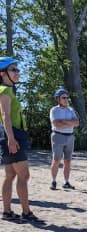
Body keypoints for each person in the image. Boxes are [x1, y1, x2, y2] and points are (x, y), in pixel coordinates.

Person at [0, 56, 38, 221]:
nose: (17, 72)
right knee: (24, 175)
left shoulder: (6, 90)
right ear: (2, 73)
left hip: (9, 135)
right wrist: (11, 139)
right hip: (12, 135)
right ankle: (26, 212)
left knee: (10, 175)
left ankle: (7, 212)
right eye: (13, 69)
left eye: (17, 69)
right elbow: (5, 115)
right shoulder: (4, 91)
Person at [50, 88, 79, 190]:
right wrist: (70, 122)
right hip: (57, 136)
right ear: (58, 99)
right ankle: (53, 181)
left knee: (68, 161)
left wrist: (64, 122)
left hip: (70, 136)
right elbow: (56, 124)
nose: (66, 99)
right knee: (56, 160)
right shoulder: (54, 110)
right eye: (64, 97)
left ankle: (66, 182)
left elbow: (77, 123)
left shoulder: (71, 110)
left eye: (67, 97)